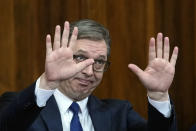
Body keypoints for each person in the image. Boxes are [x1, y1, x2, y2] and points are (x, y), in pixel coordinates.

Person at [0, 19, 178, 131]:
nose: (88, 71)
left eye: (99, 62)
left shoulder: (120, 114)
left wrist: (158, 96)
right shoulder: (19, 106)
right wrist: (48, 82)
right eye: (80, 58)